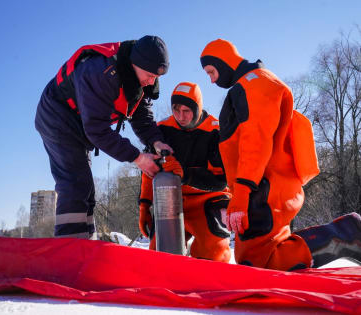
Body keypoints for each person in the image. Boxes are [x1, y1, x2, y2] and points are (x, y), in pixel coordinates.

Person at [200, 38, 361, 270]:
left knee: (259, 262)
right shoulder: (255, 82)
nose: (212, 79)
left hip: (262, 186)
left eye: (211, 71)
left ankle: (346, 234)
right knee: (254, 257)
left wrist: (243, 190)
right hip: (261, 184)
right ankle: (344, 234)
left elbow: (256, 138)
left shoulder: (252, 84)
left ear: (223, 61)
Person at [35, 35, 173, 239]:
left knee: (86, 188)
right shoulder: (99, 71)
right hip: (57, 115)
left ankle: (86, 242)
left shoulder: (143, 81)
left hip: (81, 124)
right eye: (149, 75)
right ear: (135, 63)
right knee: (75, 182)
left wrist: (156, 141)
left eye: (157, 77)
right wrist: (137, 158)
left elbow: (143, 119)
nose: (151, 81)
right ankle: (69, 249)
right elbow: (97, 130)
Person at [138, 81, 232, 262]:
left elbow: (221, 180)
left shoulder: (216, 131)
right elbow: (149, 170)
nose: (181, 116)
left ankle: (208, 285)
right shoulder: (161, 130)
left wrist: (186, 175)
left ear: (197, 108)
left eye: (187, 111)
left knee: (214, 253)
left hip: (208, 199)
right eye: (176, 109)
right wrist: (144, 205)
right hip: (171, 198)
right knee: (159, 255)